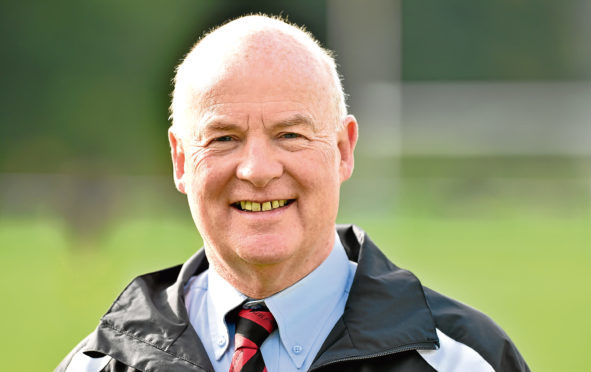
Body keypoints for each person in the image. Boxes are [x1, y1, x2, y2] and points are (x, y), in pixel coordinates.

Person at [56, 14, 529, 372]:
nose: (258, 170)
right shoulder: (99, 364)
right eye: (224, 138)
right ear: (181, 161)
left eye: (290, 135)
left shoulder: (462, 360)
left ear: (343, 149)